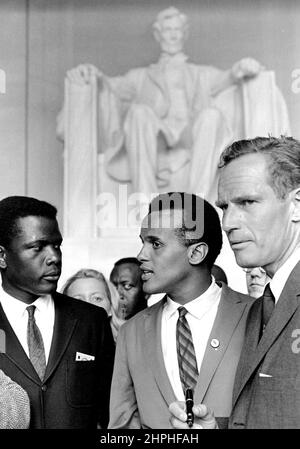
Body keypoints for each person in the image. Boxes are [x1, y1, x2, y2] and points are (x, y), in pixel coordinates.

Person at [57, 5, 290, 237]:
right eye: (168, 30)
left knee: (212, 116)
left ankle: (197, 208)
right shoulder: (140, 77)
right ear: (158, 35)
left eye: (177, 30)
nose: (173, 34)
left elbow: (228, 78)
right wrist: (93, 75)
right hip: (154, 140)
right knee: (139, 113)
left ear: (184, 34)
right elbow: (111, 86)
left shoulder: (200, 73)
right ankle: (147, 206)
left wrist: (241, 68)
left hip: (190, 142)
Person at [169, 136, 300, 429]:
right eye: (225, 206)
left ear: (297, 205)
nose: (228, 222)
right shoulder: (261, 308)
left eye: (247, 202)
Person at [108, 192, 254, 429]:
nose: (141, 255)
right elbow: (124, 426)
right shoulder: (131, 332)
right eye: (142, 242)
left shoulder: (256, 317)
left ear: (196, 253)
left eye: (155, 244)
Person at [0, 196, 115, 428]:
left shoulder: (91, 320)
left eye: (56, 245)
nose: (54, 257)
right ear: (2, 256)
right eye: (37, 247)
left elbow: (110, 411)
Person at [62, 268, 124, 342]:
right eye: (78, 300)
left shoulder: (129, 342)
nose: (88, 305)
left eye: (97, 299)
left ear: (111, 305)